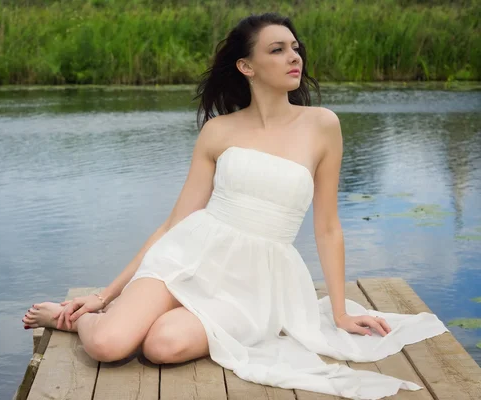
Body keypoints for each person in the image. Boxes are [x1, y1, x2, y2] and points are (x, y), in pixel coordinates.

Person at [22, 13, 448, 400]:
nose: (293, 57)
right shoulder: (218, 130)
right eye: (277, 50)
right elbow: (177, 220)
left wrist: (338, 311)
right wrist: (104, 294)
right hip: (189, 254)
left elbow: (328, 227)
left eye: (295, 48)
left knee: (162, 345)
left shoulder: (322, 126)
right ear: (246, 66)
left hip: (256, 280)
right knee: (107, 345)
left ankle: (153, 315)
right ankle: (72, 320)